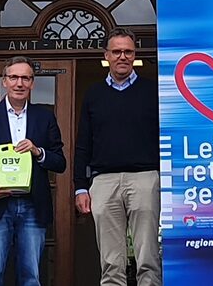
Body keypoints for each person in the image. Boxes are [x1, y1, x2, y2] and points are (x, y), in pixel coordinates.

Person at [74, 30, 161, 286]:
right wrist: (80, 186)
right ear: (106, 56)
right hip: (104, 182)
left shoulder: (151, 91)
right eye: (117, 51)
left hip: (145, 179)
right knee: (111, 263)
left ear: (134, 55)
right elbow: (83, 144)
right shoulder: (93, 94)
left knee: (148, 258)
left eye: (128, 52)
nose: (123, 56)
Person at [0, 57, 68, 286]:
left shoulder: (44, 117)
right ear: (4, 81)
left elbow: (60, 162)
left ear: (32, 83)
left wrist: (38, 151)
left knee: (31, 276)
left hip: (32, 206)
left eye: (25, 78)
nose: (19, 83)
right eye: (14, 77)